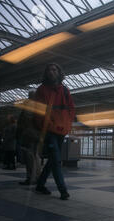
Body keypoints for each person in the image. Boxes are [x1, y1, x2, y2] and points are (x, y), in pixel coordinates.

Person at [34, 63, 75, 200]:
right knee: (56, 159)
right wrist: (46, 125)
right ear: (46, 73)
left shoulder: (64, 90)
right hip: (49, 130)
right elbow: (38, 112)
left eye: (54, 69)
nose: (51, 72)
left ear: (59, 72)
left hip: (61, 130)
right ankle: (63, 190)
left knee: (52, 160)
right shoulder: (41, 90)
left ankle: (40, 184)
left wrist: (67, 124)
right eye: (49, 70)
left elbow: (71, 109)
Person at [16, 91, 41, 185]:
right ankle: (38, 177)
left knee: (30, 157)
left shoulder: (30, 105)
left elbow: (25, 120)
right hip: (37, 134)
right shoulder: (39, 105)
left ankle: (31, 178)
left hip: (30, 134)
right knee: (36, 156)